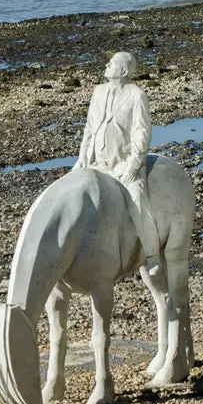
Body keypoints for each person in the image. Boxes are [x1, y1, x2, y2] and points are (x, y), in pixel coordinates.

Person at [76, 51, 163, 276]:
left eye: (112, 63)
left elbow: (141, 133)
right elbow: (89, 128)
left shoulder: (137, 95)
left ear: (124, 71)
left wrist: (133, 166)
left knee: (137, 197)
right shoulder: (98, 91)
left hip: (122, 163)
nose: (107, 64)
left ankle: (152, 254)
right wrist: (82, 157)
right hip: (94, 162)